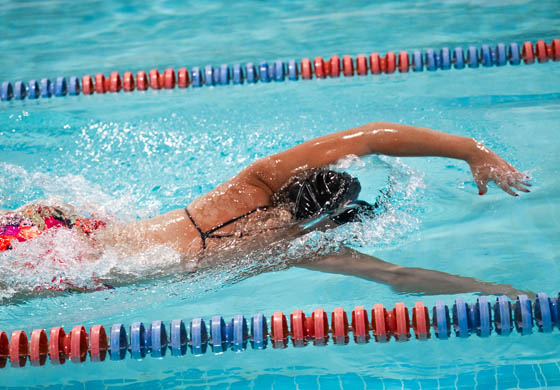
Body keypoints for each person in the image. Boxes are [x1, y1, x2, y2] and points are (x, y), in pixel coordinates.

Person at [1, 122, 531, 296]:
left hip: (70, 232)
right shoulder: (276, 222)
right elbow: (397, 274)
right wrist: (497, 292)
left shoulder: (281, 233)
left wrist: (493, 290)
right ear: (319, 216)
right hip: (68, 249)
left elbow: (396, 274)